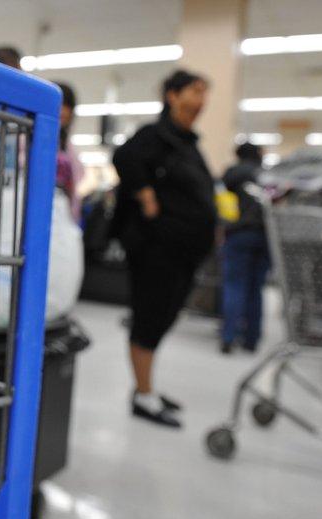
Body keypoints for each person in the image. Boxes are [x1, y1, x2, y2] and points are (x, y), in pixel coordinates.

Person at [111, 69, 216, 428]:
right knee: (149, 319)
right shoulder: (155, 136)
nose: (201, 100)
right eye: (195, 91)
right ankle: (143, 396)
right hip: (157, 249)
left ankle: (147, 387)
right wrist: (146, 196)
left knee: (163, 320)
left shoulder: (187, 143)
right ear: (172, 95)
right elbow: (124, 158)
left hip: (183, 254)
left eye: (205, 93)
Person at [219, 143, 270, 354]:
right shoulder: (267, 176)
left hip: (238, 234)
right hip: (266, 236)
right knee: (256, 288)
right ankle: (251, 340)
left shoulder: (232, 175)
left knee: (234, 285)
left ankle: (228, 337)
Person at [54, 82, 84, 221]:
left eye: (67, 106)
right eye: (60, 104)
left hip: (65, 215)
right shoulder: (29, 139)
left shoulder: (68, 146)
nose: (63, 111)